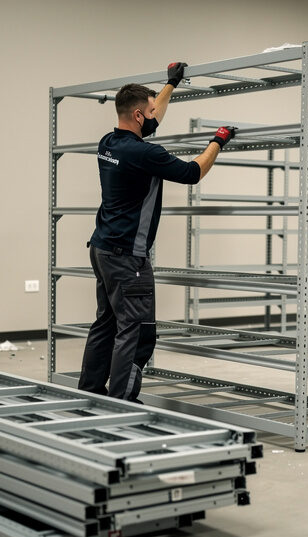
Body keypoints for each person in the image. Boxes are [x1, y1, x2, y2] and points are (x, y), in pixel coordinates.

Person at [78, 62, 236, 403]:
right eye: (150, 112)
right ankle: (122, 403)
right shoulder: (144, 153)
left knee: (106, 325)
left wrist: (170, 85)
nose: (154, 116)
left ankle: (90, 394)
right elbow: (193, 173)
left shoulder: (109, 143)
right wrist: (217, 142)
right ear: (138, 115)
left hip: (102, 248)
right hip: (127, 258)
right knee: (137, 332)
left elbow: (150, 118)